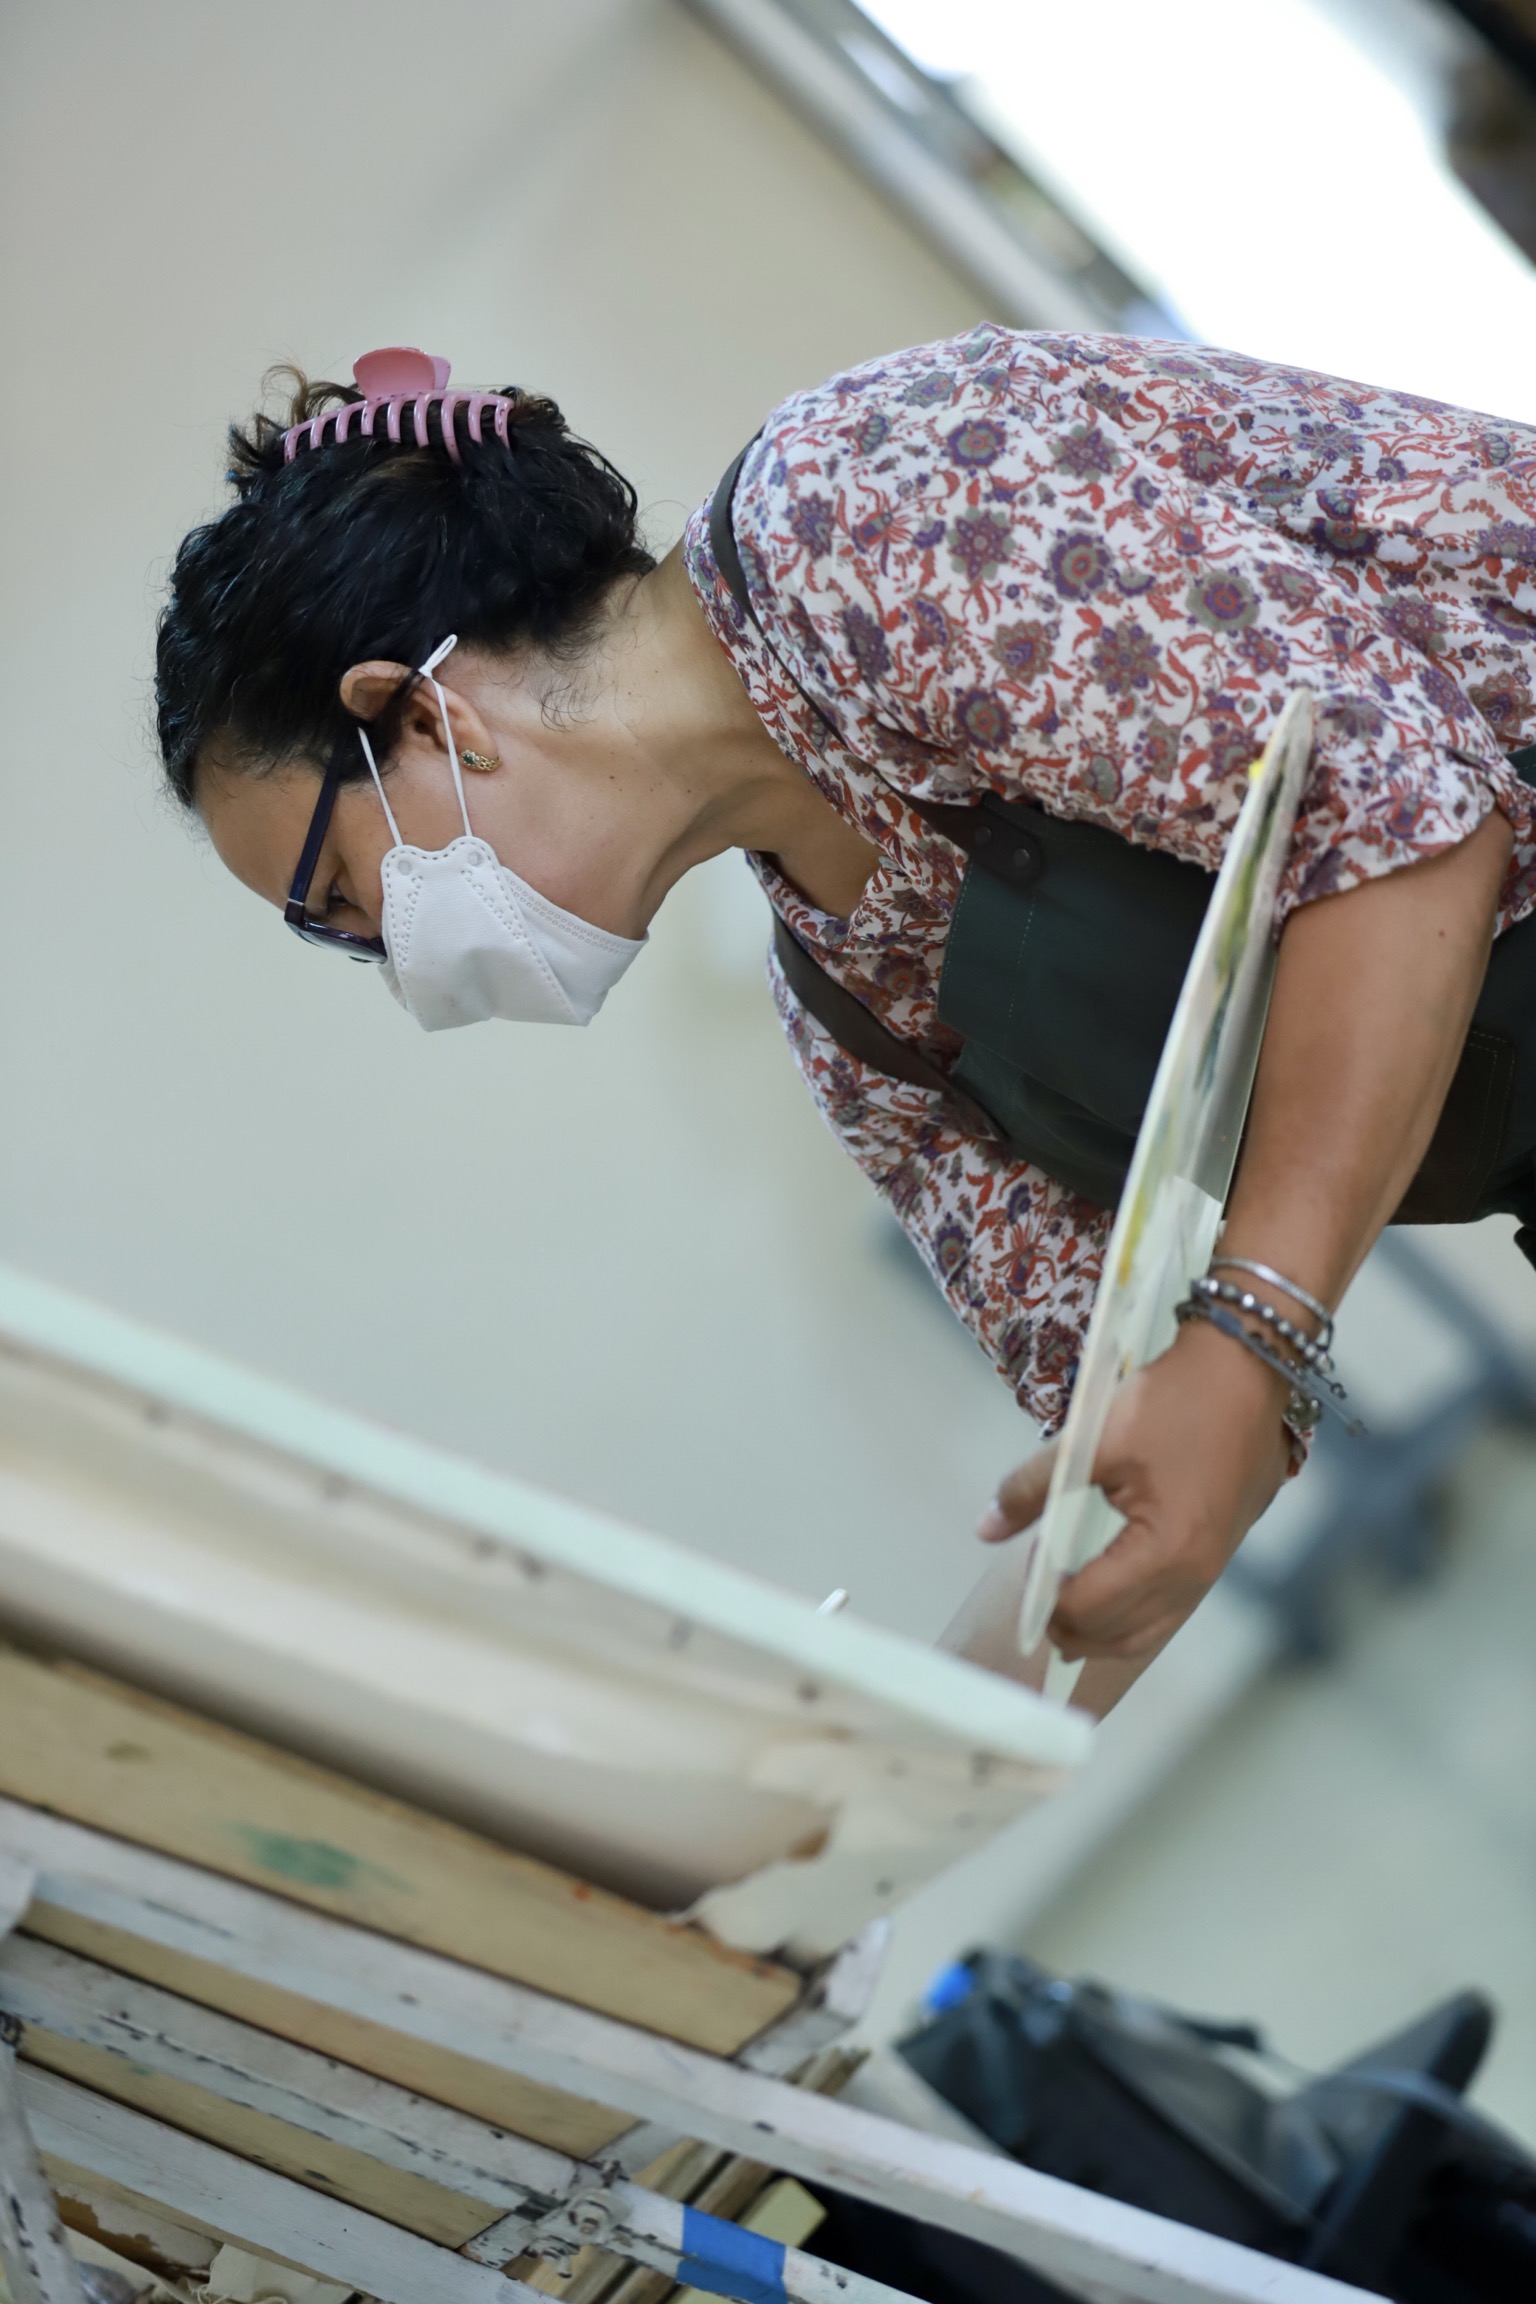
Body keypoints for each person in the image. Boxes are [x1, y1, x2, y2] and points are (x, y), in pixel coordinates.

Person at [157, 330, 1536, 1716]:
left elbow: (1397, 817)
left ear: (419, 716)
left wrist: (1247, 1331)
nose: (395, 963)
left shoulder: (855, 506)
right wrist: (852, 1775)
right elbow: (1130, 1428)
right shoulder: (850, 1007)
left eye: (345, 898)